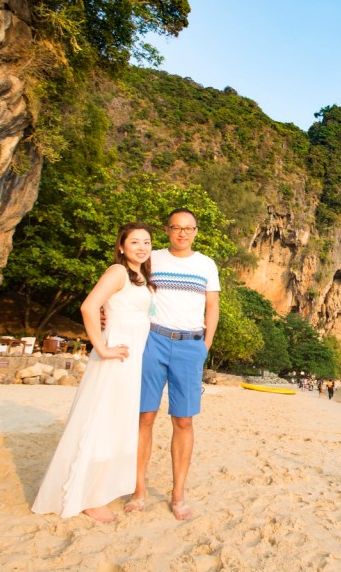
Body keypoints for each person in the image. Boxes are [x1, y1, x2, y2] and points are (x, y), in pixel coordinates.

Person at [32, 223, 155, 523]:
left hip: (132, 359)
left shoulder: (141, 279)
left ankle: (97, 488)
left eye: (146, 242)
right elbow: (89, 307)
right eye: (134, 242)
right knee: (102, 421)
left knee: (117, 423)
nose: (141, 247)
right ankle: (87, 496)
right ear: (122, 247)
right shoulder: (117, 272)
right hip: (116, 356)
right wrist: (101, 346)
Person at [125, 209, 219, 521]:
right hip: (153, 341)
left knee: (183, 421)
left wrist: (204, 347)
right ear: (167, 230)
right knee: (144, 417)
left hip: (190, 344)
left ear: (196, 231)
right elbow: (128, 289)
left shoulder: (206, 265)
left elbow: (212, 307)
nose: (182, 233)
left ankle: (178, 495)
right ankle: (138, 490)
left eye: (188, 228)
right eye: (176, 228)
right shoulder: (152, 259)